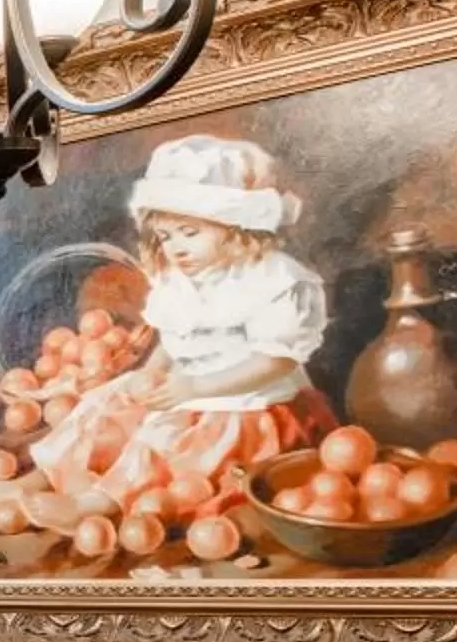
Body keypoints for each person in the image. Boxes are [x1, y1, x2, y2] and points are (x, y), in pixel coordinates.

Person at [27, 133, 334, 519]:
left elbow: (276, 363)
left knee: (166, 437)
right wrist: (152, 373)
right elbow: (175, 342)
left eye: (191, 234)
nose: (177, 248)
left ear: (236, 227)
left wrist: (196, 387)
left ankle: (98, 505)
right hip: (190, 391)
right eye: (166, 236)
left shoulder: (277, 282)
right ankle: (34, 481)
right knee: (107, 400)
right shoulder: (181, 281)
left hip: (251, 406)